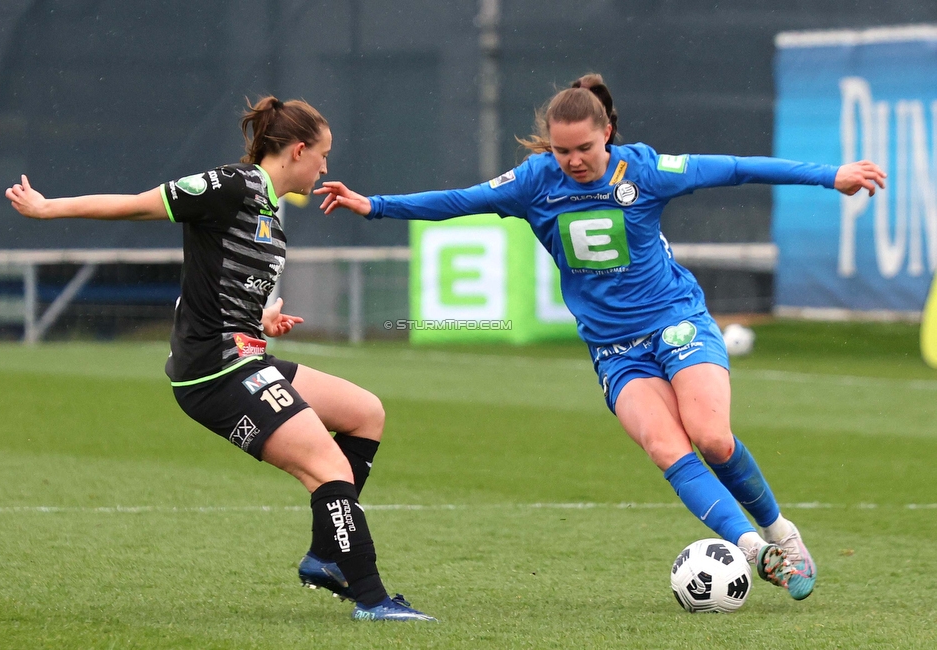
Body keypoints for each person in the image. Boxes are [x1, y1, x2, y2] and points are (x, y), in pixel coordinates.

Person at [316, 74, 887, 601]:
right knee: (668, 448)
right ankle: (756, 552)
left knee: (712, 438)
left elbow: (736, 167)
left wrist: (828, 175)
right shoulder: (533, 181)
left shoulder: (645, 170)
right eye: (561, 151)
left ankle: (783, 533)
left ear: (606, 133)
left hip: (676, 322)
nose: (572, 161)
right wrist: (376, 207)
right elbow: (461, 200)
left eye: (583, 149)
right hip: (615, 350)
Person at [4, 96, 435, 622]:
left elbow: (221, 293)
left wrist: (263, 322)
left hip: (246, 355)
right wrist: (49, 208)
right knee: (327, 468)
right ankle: (370, 598)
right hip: (215, 370)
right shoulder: (232, 185)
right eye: (323, 154)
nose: (325, 166)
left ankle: (327, 556)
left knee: (365, 411)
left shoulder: (270, 213)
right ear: (298, 150)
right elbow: (142, 203)